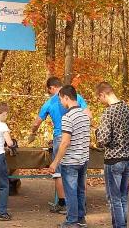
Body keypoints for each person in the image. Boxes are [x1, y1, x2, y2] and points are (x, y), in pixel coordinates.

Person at [28, 77, 91, 213]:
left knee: (59, 173)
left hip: (60, 137)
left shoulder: (49, 102)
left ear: (51, 88)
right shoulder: (77, 97)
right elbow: (88, 116)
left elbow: (36, 123)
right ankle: (81, 204)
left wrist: (32, 133)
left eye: (49, 91)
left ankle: (63, 203)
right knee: (80, 172)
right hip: (78, 137)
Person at [96, 82, 129, 228]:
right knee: (123, 198)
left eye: (99, 98)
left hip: (114, 160)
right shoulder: (128, 109)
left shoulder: (108, 112)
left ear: (103, 94)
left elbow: (103, 140)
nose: (100, 101)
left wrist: (96, 132)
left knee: (114, 199)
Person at [49, 85, 90, 228]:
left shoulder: (67, 117)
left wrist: (55, 162)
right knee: (80, 190)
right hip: (83, 159)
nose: (60, 102)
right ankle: (81, 219)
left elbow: (65, 142)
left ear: (66, 97)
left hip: (70, 161)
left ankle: (71, 221)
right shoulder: (86, 115)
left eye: (60, 99)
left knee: (70, 192)